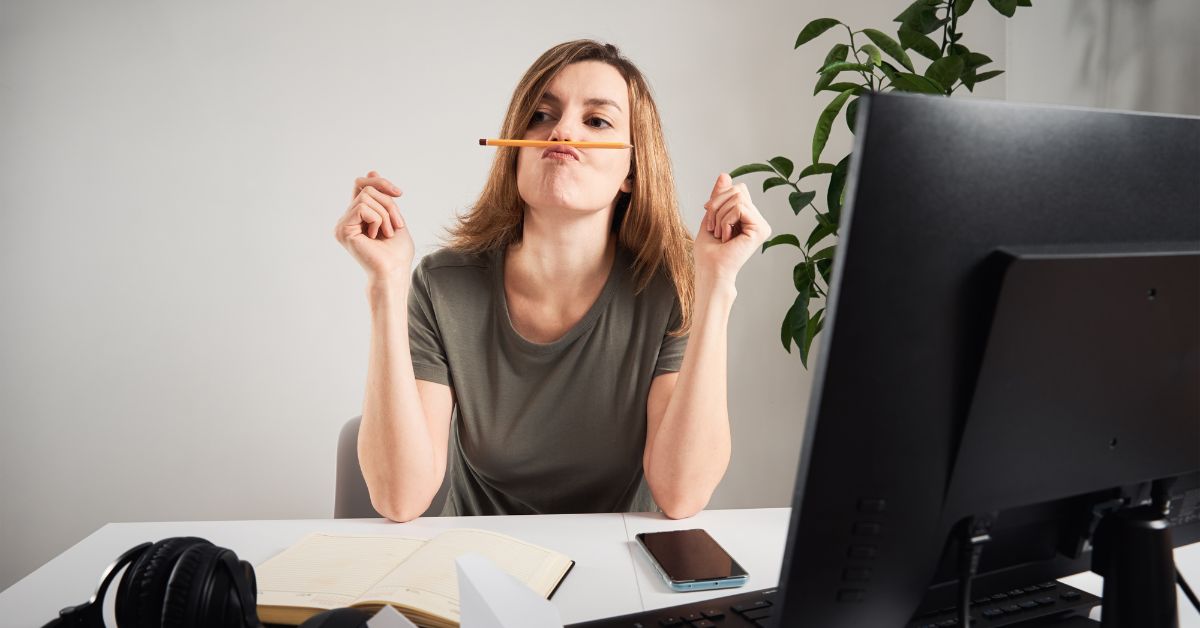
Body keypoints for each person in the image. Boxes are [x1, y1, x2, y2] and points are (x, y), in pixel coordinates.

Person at [333, 40, 770, 522]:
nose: (561, 131)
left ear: (632, 168)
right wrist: (385, 283)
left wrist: (717, 286)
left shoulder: (667, 290)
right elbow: (399, 499)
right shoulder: (443, 286)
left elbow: (681, 494)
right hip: (476, 568)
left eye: (597, 121)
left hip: (624, 575)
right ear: (515, 153)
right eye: (541, 116)